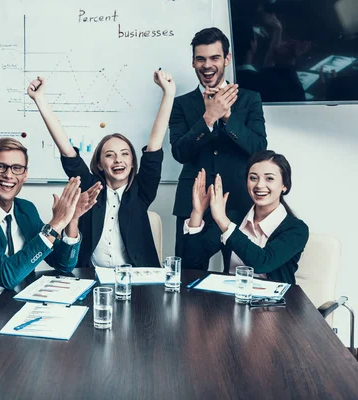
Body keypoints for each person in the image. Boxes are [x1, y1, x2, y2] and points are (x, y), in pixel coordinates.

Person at [27, 70, 175, 268]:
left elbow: (154, 146)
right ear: (99, 164)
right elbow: (66, 149)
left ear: (132, 162)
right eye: (109, 155)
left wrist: (169, 94)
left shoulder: (142, 190)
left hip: (137, 281)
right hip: (92, 279)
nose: (118, 160)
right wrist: (40, 100)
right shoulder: (90, 188)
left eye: (124, 154)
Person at [0, 138, 98, 318]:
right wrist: (56, 224)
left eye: (17, 168)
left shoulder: (25, 209)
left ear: (25, 175)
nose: (9, 175)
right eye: (0, 166)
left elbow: (63, 264)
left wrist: (71, 220)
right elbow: (6, 275)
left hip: (21, 308)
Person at [169, 27, 268, 268]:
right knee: (187, 276)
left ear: (227, 58)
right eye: (200, 58)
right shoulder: (181, 104)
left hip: (238, 203)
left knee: (239, 275)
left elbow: (259, 148)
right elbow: (179, 152)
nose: (207, 65)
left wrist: (226, 118)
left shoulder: (249, 98)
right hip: (192, 204)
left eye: (214, 58)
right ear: (193, 62)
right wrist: (208, 119)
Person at [183, 150, 308, 284]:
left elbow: (262, 263)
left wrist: (223, 221)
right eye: (253, 178)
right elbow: (192, 262)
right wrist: (197, 212)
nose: (259, 185)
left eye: (269, 178)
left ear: (285, 185)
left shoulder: (296, 229)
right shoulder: (234, 218)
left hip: (275, 303)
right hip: (229, 300)